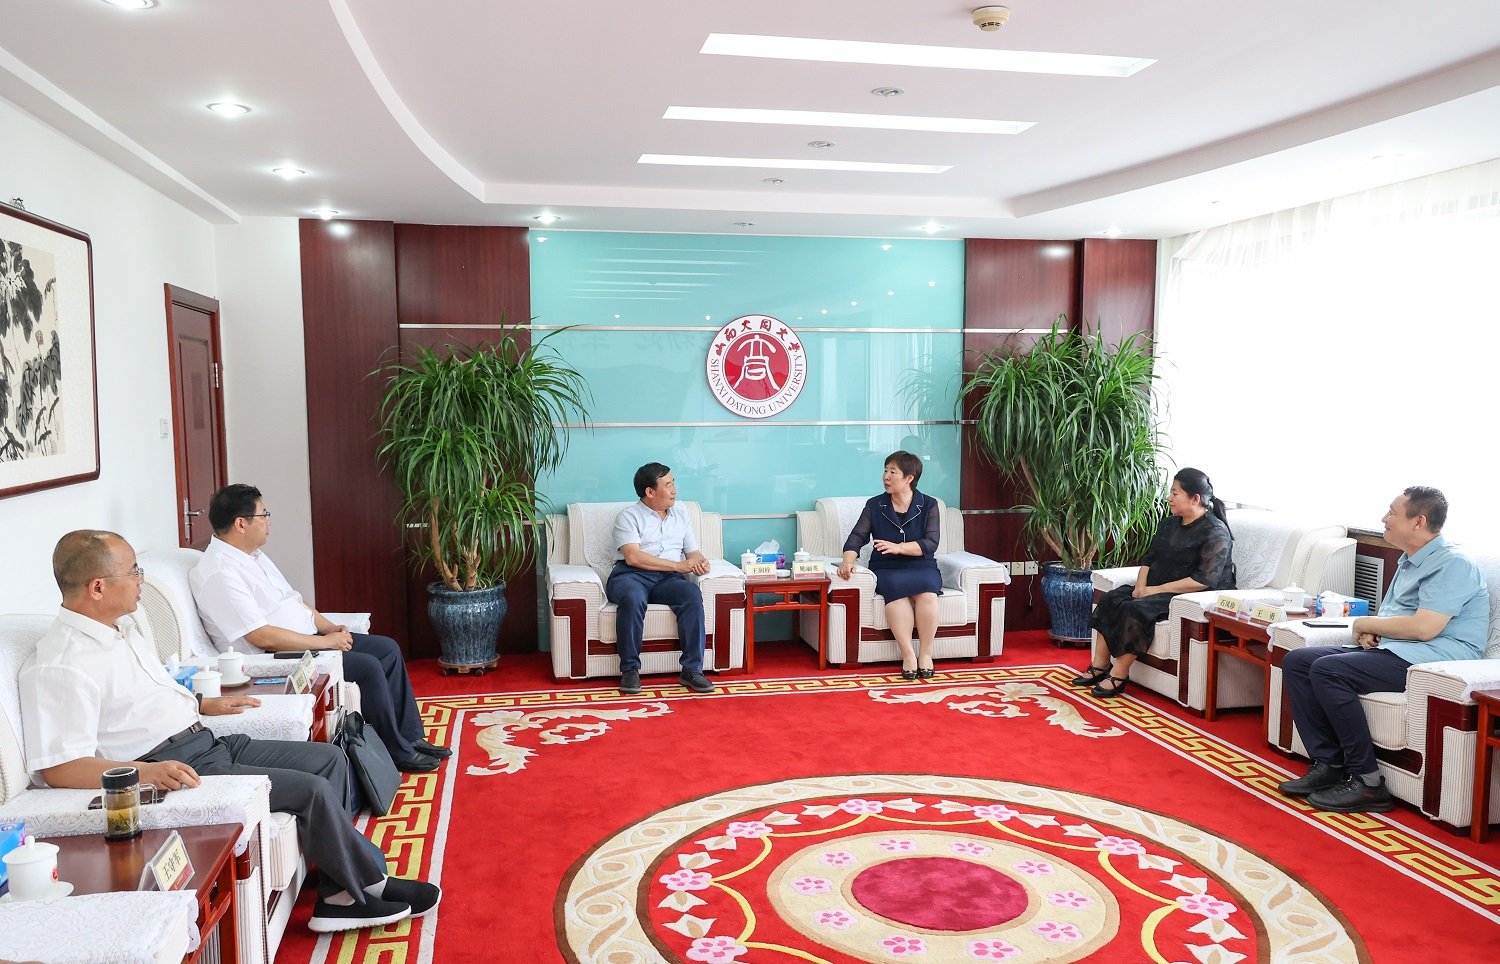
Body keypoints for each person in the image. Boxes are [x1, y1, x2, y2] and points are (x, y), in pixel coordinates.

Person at [20, 531, 440, 933]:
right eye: (133, 572)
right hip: (173, 767)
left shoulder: (120, 629)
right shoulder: (61, 664)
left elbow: (140, 700)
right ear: (97, 587)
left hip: (204, 740)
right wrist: (145, 773)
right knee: (310, 790)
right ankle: (367, 887)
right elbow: (60, 768)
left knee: (330, 758)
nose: (140, 580)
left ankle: (340, 890)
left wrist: (202, 702)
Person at [189, 484, 449, 773]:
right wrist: (327, 643)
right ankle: (396, 752)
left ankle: (410, 738)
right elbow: (261, 636)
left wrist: (329, 627)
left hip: (308, 638)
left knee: (387, 648)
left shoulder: (252, 555)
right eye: (264, 515)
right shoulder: (220, 573)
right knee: (368, 667)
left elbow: (293, 600)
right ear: (241, 523)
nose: (269, 522)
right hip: (280, 655)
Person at [1278, 487, 1488, 813]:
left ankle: (1368, 783)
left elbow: (1425, 628)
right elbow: (1396, 618)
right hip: (1400, 650)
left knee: (1328, 669)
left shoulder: (1453, 564)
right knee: (1298, 661)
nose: (1383, 519)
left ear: (1419, 521)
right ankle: (1330, 764)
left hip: (1437, 659)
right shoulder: (1410, 561)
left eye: (1392, 512)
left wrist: (1366, 624)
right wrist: (1372, 631)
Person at [1074, 467, 1236, 698]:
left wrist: (1154, 590)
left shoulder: (1215, 531)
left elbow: (1203, 580)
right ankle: (1100, 665)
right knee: (1111, 599)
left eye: (1175, 493)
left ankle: (1119, 674)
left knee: (1135, 609)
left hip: (1189, 595)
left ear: (1195, 499)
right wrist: (1141, 587)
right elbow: (1149, 559)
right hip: (1157, 586)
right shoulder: (1169, 524)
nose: (1169, 498)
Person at [607, 462, 718, 697]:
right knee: (633, 597)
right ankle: (630, 670)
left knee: (691, 594)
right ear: (650, 491)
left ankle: (692, 670)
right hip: (631, 576)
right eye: (668, 485)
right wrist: (678, 566)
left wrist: (700, 562)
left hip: (667, 580)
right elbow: (633, 557)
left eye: (673, 483)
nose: (674, 490)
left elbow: (692, 552)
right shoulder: (628, 516)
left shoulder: (681, 515)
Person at [836, 451, 943, 680]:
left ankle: (926, 654)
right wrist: (848, 561)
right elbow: (857, 537)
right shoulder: (875, 505)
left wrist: (899, 547)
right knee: (894, 589)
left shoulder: (929, 505)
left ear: (909, 478)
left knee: (928, 592)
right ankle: (908, 655)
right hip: (887, 566)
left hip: (921, 564)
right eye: (885, 470)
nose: (886, 476)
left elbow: (931, 543)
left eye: (893, 472)